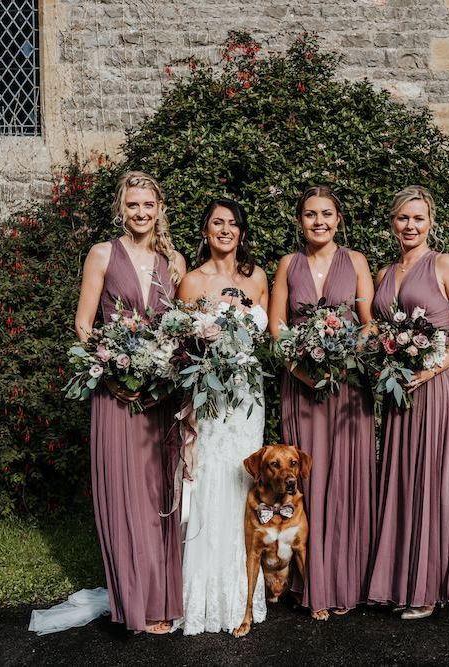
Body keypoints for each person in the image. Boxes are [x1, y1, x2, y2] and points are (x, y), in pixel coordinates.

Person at [74, 171, 186, 634]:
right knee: (124, 495)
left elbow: (180, 324)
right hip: (116, 395)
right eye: (133, 205)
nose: (141, 213)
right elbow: (84, 325)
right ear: (121, 208)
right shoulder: (102, 254)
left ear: (160, 209)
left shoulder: (174, 260)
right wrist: (114, 372)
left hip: (161, 397)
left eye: (148, 205)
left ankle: (161, 598)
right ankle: (132, 603)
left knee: (160, 494)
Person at [367, 186, 449, 619]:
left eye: (418, 219)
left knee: (432, 479)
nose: (410, 226)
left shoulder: (445, 265)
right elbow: (377, 330)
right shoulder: (384, 272)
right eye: (402, 218)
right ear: (392, 222)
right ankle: (399, 581)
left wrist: (431, 368)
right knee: (401, 478)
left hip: (436, 384)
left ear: (430, 223)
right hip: (400, 388)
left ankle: (428, 587)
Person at [268, 185, 377, 620]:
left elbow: (369, 324)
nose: (319, 222)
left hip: (347, 389)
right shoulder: (287, 265)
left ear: (338, 219)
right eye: (311, 214)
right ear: (300, 221)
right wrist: (300, 370)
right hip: (302, 387)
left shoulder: (357, 263)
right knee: (306, 484)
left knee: (347, 479)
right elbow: (277, 326)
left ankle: (348, 579)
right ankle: (307, 580)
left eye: (327, 214)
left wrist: (345, 355)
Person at [174, 197, 270, 635]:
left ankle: (244, 594)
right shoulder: (192, 283)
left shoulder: (259, 279)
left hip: (248, 394)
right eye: (217, 223)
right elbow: (183, 350)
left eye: (233, 223)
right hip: (212, 396)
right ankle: (204, 596)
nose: (225, 230)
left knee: (245, 481)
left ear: (242, 233)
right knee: (212, 479)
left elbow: (266, 338)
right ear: (206, 231)